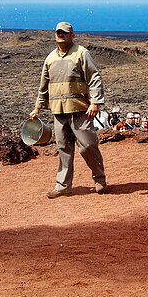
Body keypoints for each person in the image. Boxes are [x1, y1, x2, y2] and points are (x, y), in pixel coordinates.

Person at [30, 22, 108, 197]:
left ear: (72, 35)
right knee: (64, 148)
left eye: (65, 33)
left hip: (80, 110)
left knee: (88, 146)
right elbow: (44, 86)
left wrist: (95, 102)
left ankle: (99, 178)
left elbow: (94, 77)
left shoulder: (81, 53)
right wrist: (37, 108)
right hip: (58, 112)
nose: (61, 35)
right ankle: (63, 185)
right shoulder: (50, 59)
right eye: (58, 32)